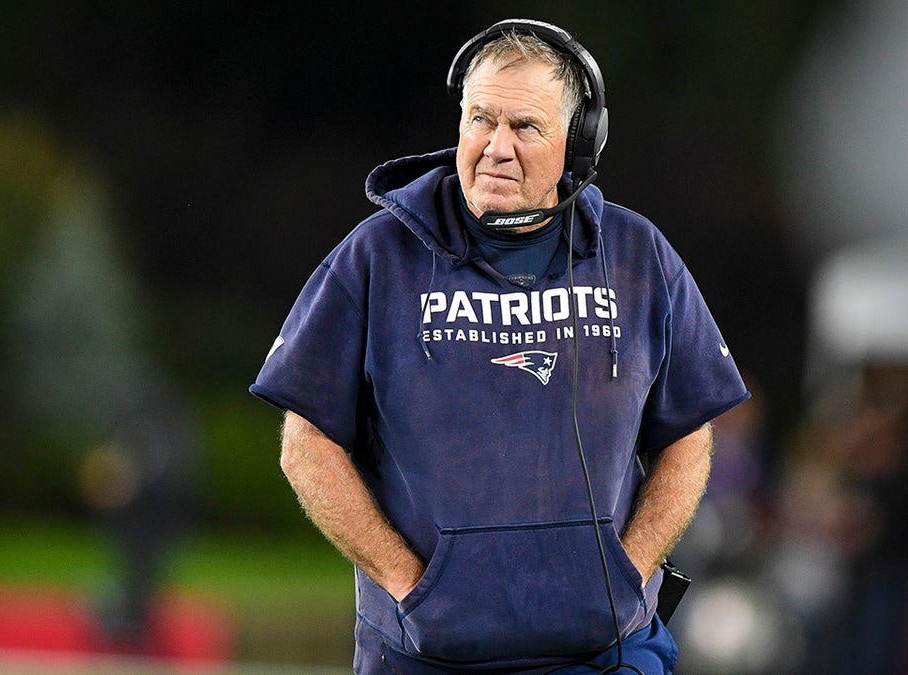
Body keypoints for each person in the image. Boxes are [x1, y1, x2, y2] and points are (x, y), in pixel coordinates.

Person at [250, 19, 749, 673]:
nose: (496, 147)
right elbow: (306, 443)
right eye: (481, 119)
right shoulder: (377, 258)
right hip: (426, 657)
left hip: (604, 655)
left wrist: (631, 568)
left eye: (525, 127)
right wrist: (408, 585)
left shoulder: (637, 255)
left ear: (578, 142)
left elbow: (689, 429)